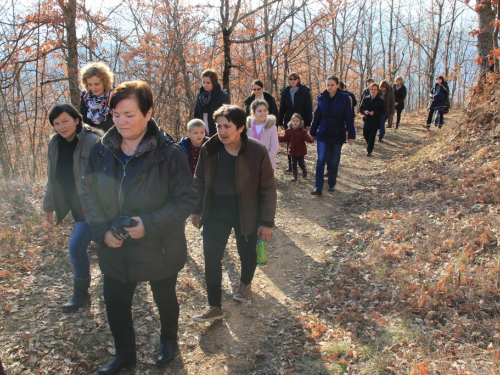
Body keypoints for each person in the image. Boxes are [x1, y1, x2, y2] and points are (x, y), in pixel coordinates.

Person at [80, 81, 197, 374]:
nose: (121, 122)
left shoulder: (169, 153)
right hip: (115, 244)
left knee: (164, 296)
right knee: (115, 302)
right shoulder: (102, 149)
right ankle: (124, 356)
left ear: (148, 113)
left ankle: (168, 340)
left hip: (159, 245)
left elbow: (187, 199)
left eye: (129, 115)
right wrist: (102, 230)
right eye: (116, 114)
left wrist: (150, 224)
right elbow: (88, 192)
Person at [190, 105, 277, 322]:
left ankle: (245, 284)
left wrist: (266, 222)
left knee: (246, 253)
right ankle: (214, 306)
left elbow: (267, 188)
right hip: (215, 213)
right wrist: (195, 208)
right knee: (211, 257)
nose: (222, 131)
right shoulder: (209, 149)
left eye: (227, 126)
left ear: (240, 127)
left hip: (246, 212)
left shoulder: (257, 151)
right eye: (219, 126)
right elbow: (199, 180)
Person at [43, 104, 103, 312]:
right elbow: (52, 177)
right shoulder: (54, 143)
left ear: (77, 120)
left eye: (65, 121)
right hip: (78, 208)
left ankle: (81, 294)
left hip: (95, 208)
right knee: (104, 245)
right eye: (56, 123)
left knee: (76, 248)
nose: (61, 126)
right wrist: (48, 204)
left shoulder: (93, 141)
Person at [309, 75, 355, 195]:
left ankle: (331, 183)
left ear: (338, 85)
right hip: (323, 133)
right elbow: (316, 116)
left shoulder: (344, 99)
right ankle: (318, 187)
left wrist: (351, 135)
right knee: (321, 160)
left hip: (337, 134)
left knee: (334, 162)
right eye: (328, 85)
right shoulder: (321, 98)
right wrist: (312, 133)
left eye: (332, 85)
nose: (329, 87)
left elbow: (349, 118)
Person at [277, 72, 313, 172]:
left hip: (301, 120)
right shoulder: (285, 91)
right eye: (290, 79)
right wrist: (280, 121)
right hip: (289, 120)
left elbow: (308, 107)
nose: (292, 81)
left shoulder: (304, 91)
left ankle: (301, 163)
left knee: (300, 141)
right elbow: (282, 107)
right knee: (289, 142)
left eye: (294, 79)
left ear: (298, 80)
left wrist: (308, 123)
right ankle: (291, 165)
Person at [193, 69, 231, 137]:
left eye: (208, 83)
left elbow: (225, 117)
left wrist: (214, 134)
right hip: (202, 132)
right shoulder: (200, 95)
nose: (205, 85)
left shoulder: (223, 96)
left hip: (217, 132)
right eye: (203, 82)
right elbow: (196, 115)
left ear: (214, 82)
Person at [79, 61, 115, 132]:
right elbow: (82, 122)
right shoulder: (85, 98)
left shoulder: (114, 96)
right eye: (90, 84)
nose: (93, 88)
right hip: (91, 139)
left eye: (97, 84)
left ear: (105, 82)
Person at [278, 113, 313, 182]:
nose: (295, 122)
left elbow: (307, 139)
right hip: (292, 150)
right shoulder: (288, 131)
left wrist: (311, 139)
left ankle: (304, 170)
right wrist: (277, 138)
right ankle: (295, 176)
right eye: (294, 121)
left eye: (297, 121)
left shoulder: (303, 131)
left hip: (301, 151)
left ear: (300, 122)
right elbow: (285, 139)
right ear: (291, 121)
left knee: (301, 163)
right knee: (293, 164)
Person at [246, 99, 279, 170]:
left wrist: (265, 161)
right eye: (259, 111)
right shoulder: (247, 126)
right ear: (253, 112)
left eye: (265, 110)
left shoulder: (272, 127)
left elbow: (274, 147)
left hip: (267, 164)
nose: (263, 113)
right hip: (251, 163)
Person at [359, 83, 385, 157]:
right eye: (371, 89)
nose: (373, 91)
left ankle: (369, 151)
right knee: (365, 134)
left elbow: (382, 111)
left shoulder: (380, 100)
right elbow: (360, 108)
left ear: (377, 90)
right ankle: (369, 145)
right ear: (369, 90)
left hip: (375, 121)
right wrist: (365, 112)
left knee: (372, 136)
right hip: (366, 120)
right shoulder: (366, 99)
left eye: (374, 90)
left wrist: (375, 113)